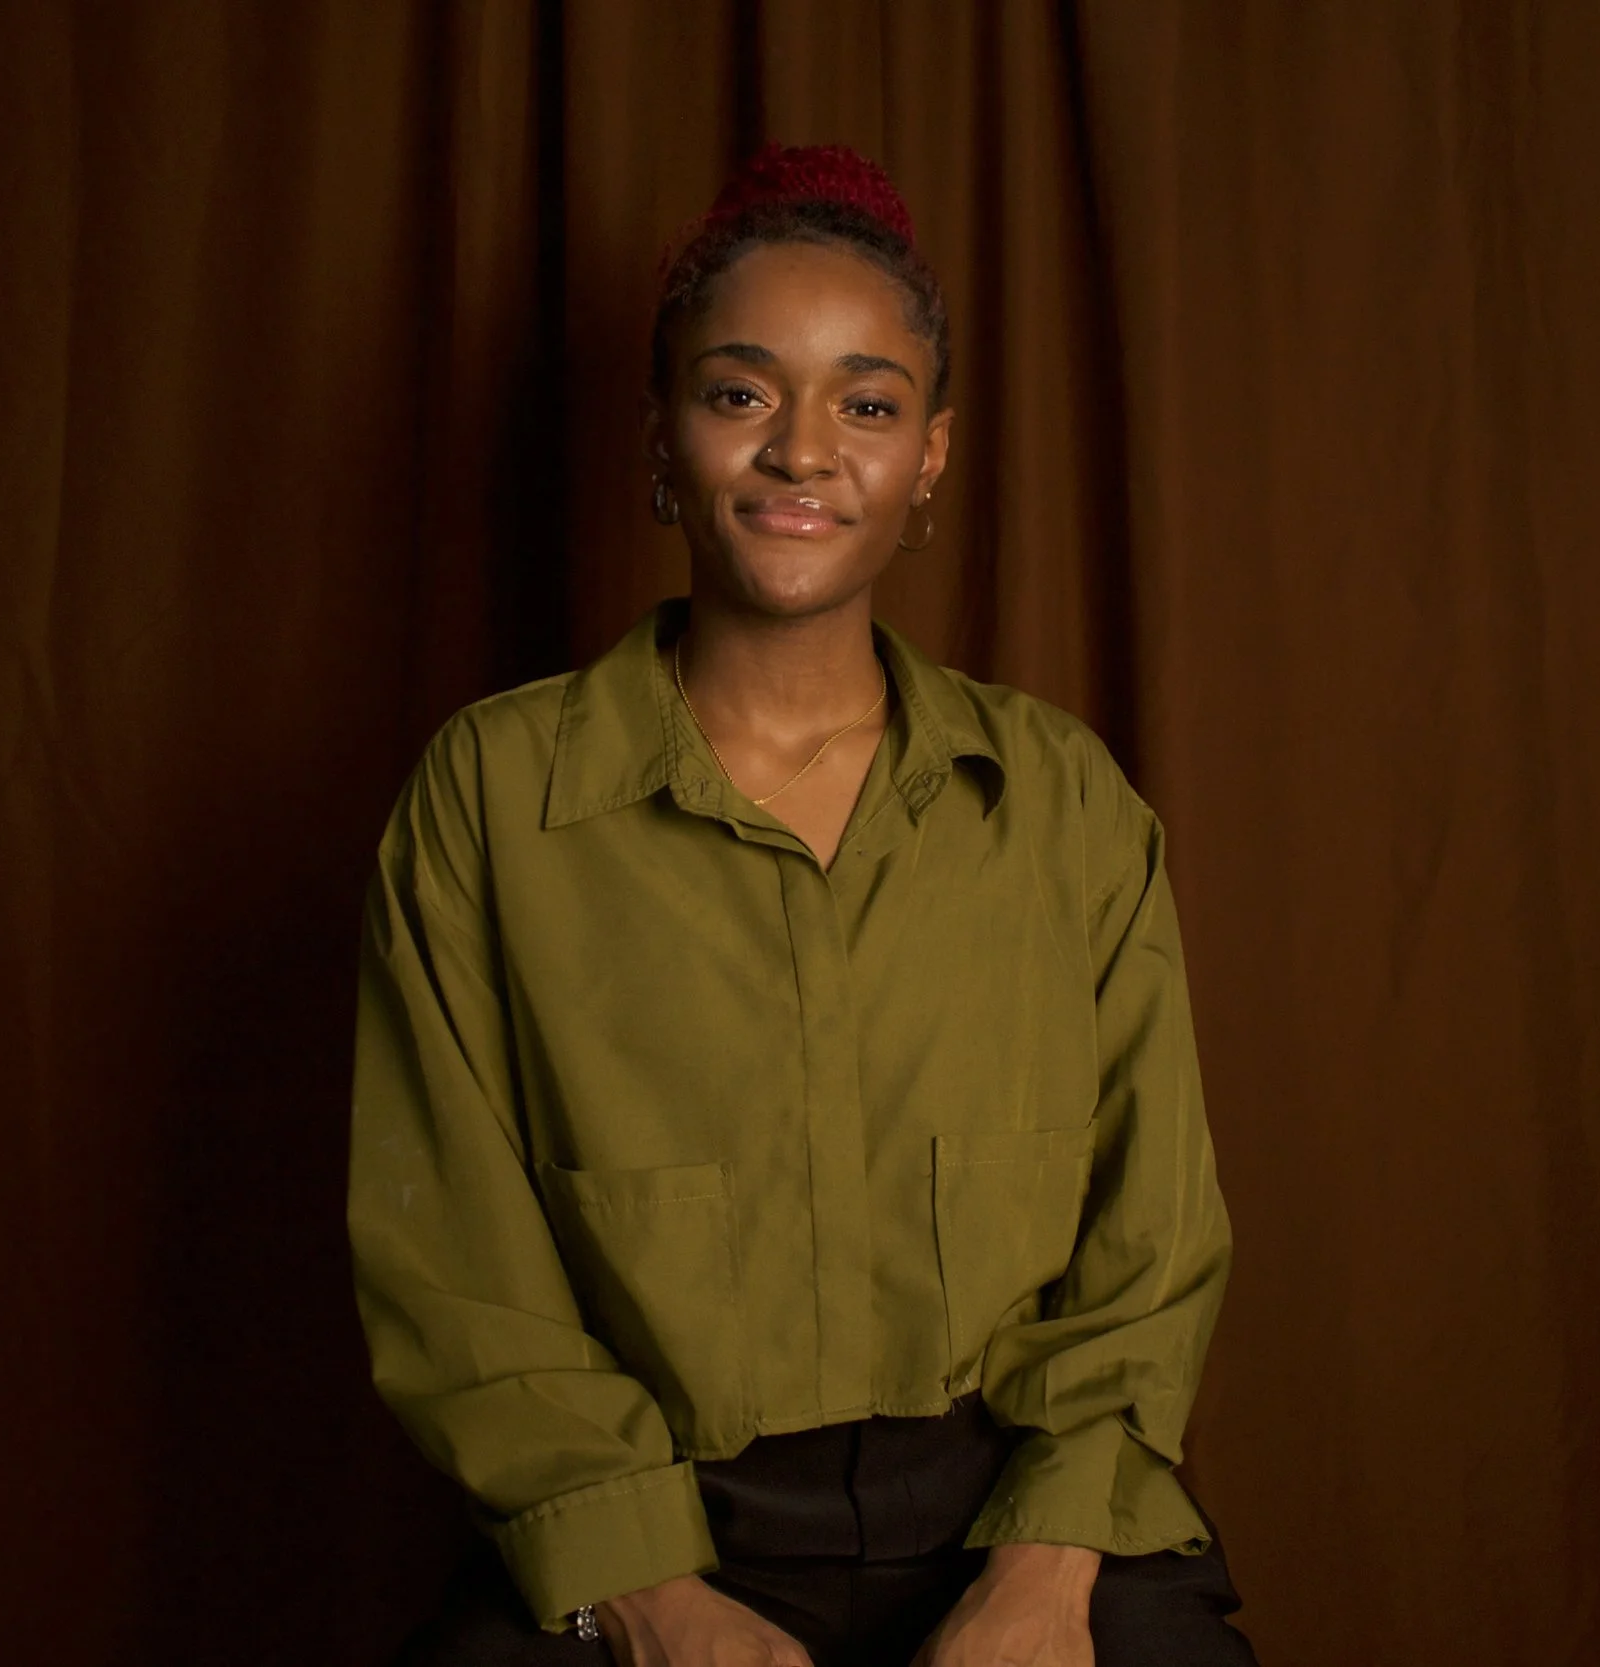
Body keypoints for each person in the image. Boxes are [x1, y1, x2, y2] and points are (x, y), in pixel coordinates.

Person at [351, 144, 1254, 1667]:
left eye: (870, 402)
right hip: (650, 1513)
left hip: (1019, 1504)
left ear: (931, 459)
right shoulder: (492, 797)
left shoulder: (1060, 799)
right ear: (663, 440)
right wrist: (651, 1592)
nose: (804, 452)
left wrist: (1043, 1577)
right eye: (742, 393)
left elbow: (1149, 1240)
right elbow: (457, 1263)